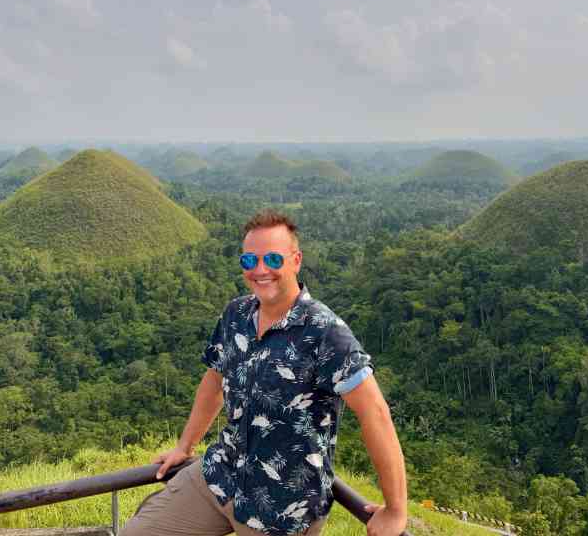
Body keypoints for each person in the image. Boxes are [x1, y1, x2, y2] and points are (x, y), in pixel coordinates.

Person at [123, 210, 407, 536]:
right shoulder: (236, 314)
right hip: (222, 475)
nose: (260, 270)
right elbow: (215, 379)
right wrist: (185, 446)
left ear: (296, 260)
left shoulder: (325, 332)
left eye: (273, 258)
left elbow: (375, 412)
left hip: (283, 507)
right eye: (250, 261)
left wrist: (396, 509)